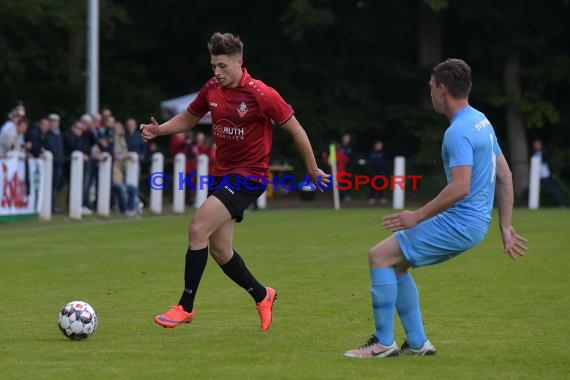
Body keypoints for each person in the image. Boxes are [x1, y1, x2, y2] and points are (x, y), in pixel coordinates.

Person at [140, 32, 330, 331]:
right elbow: (190, 118)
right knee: (219, 249)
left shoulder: (261, 93)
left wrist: (312, 168)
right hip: (222, 174)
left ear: (240, 62)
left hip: (249, 176)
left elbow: (297, 130)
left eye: (223, 66)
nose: (217, 72)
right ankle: (262, 294)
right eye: (214, 65)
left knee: (197, 228)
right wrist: (159, 130)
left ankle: (185, 306)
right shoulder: (212, 88)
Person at [344, 58, 527, 358]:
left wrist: (416, 216)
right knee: (398, 265)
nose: (429, 93)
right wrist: (504, 225)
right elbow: (505, 176)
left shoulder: (457, 132)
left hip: (460, 223)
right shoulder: (481, 120)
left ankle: (382, 343)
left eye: (431, 87)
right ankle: (417, 343)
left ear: (442, 89)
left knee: (379, 257)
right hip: (474, 224)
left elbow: (460, 186)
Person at [532, 139, 564, 208]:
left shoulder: (544, 152)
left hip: (544, 175)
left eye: (537, 144)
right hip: (537, 175)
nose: (536, 146)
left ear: (540, 145)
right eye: (535, 144)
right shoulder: (535, 153)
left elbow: (549, 163)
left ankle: (560, 204)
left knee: (551, 190)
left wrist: (553, 172)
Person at [368, 140, 387, 205]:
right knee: (373, 185)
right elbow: (370, 162)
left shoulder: (383, 153)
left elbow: (384, 162)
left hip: (381, 172)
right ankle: (372, 197)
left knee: (381, 185)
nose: (379, 146)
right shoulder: (372, 152)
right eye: (378, 145)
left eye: (380, 145)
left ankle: (381, 197)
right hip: (374, 172)